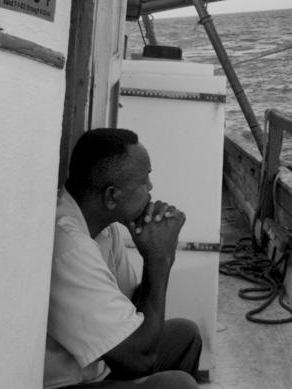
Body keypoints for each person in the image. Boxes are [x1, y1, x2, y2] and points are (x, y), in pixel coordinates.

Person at [46, 128, 201, 389]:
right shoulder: (70, 248)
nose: (151, 188)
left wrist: (153, 250)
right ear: (111, 196)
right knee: (176, 385)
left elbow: (133, 312)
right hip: (64, 384)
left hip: (100, 366)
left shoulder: (106, 228)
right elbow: (138, 360)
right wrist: (160, 261)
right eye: (144, 181)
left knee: (185, 336)